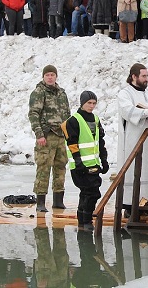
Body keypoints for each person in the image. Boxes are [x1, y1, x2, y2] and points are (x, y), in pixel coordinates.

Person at [117, 63, 148, 215]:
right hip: (135, 138)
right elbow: (128, 111)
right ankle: (131, 204)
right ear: (134, 76)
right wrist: (147, 112)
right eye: (144, 76)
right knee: (135, 169)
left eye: (147, 76)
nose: (146, 79)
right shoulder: (125, 93)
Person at [28, 65, 71, 212]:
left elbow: (67, 114)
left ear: (56, 76)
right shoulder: (39, 93)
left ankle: (58, 200)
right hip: (46, 136)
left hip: (60, 136)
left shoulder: (62, 93)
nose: (50, 77)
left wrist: (68, 133)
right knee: (43, 168)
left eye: (52, 75)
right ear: (43, 77)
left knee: (60, 167)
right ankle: (40, 202)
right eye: (47, 75)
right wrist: (39, 134)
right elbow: (33, 114)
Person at [64, 91, 108, 231]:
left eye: (94, 103)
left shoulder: (95, 119)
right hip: (80, 166)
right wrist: (78, 162)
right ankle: (86, 220)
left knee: (87, 193)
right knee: (91, 193)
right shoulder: (74, 120)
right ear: (82, 103)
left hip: (93, 164)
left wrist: (104, 160)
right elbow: (72, 143)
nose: (92, 106)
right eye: (89, 103)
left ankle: (83, 221)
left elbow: (100, 141)